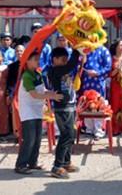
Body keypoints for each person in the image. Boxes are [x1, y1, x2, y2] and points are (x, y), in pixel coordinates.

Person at [14, 52, 63, 175]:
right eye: (35, 59)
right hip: (28, 110)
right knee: (29, 138)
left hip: (37, 109)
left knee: (37, 138)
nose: (38, 61)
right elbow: (34, 94)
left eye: (38, 59)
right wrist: (52, 97)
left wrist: (51, 93)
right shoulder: (26, 76)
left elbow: (42, 90)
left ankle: (32, 162)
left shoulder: (38, 74)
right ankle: (20, 164)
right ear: (28, 62)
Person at [48, 47, 81, 179]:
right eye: (62, 60)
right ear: (54, 60)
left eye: (66, 60)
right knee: (66, 134)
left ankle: (66, 162)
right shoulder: (55, 71)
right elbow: (72, 64)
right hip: (62, 108)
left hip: (70, 105)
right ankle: (57, 166)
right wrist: (77, 49)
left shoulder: (63, 69)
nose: (65, 62)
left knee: (71, 134)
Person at [81, 45, 112, 138]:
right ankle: (89, 129)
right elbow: (80, 64)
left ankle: (98, 130)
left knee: (99, 105)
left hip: (98, 82)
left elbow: (108, 66)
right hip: (87, 81)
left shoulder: (104, 50)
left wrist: (98, 73)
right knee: (87, 104)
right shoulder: (85, 49)